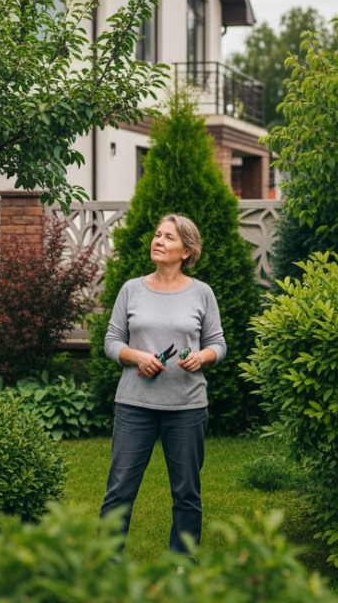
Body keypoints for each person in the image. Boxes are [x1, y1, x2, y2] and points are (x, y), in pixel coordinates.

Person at [100, 213, 226, 555]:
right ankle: (106, 565)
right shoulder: (131, 289)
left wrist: (202, 357)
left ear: (186, 250)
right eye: (157, 235)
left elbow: (218, 343)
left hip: (186, 407)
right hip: (134, 405)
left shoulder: (202, 293)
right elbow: (112, 342)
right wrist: (137, 356)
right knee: (120, 490)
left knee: (187, 492)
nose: (159, 241)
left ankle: (181, 565)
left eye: (169, 237)